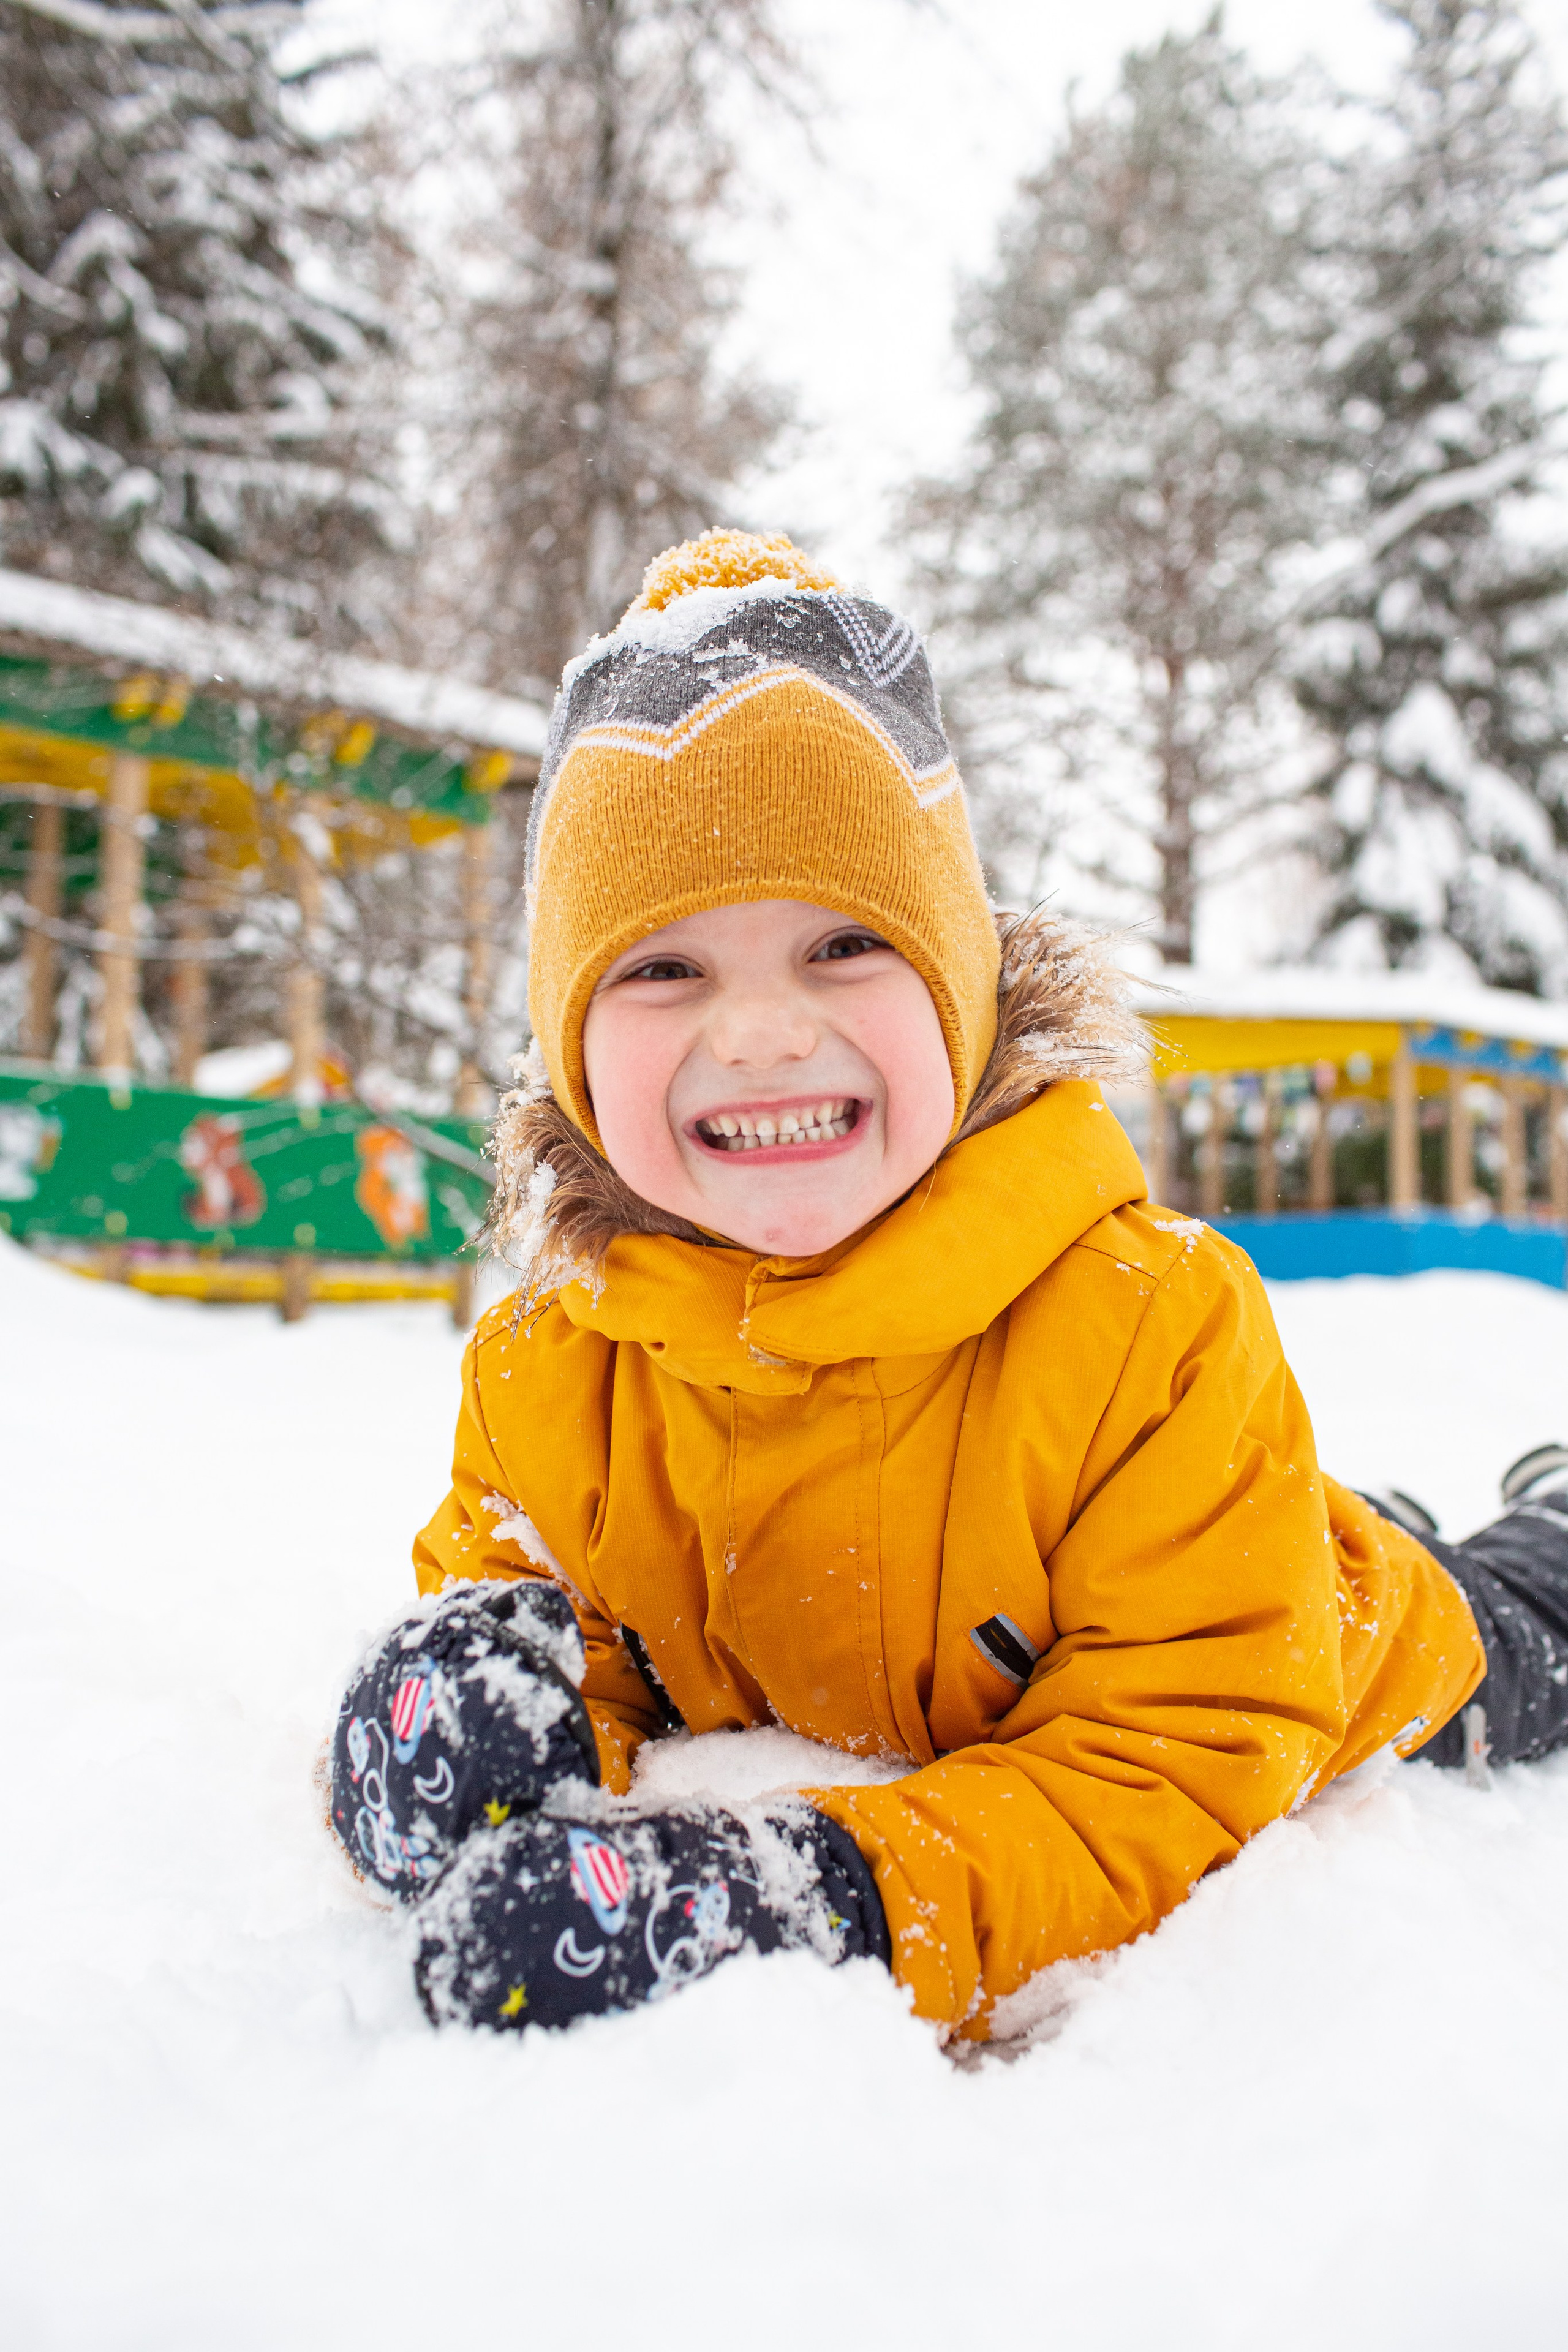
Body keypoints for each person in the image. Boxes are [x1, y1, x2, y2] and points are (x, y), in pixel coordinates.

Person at [330, 530, 1568, 2046]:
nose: (763, 1033)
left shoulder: (1143, 1318)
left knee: (1501, 1628)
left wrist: (826, 1904)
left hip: (1314, 1646)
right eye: (662, 970)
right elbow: (566, 1637)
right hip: (1193, 1549)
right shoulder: (547, 1366)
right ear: (571, 1045)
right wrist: (480, 1718)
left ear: (962, 993)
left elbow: (1169, 1760)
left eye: (844, 945)